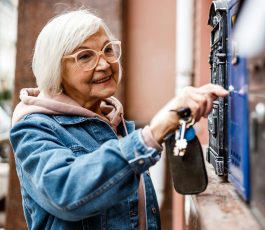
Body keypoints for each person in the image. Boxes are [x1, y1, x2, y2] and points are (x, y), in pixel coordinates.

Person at [9, 9, 227, 230]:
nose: (104, 64)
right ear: (55, 69)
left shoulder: (113, 122)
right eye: (85, 56)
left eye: (107, 49)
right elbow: (65, 191)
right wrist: (150, 136)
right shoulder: (33, 128)